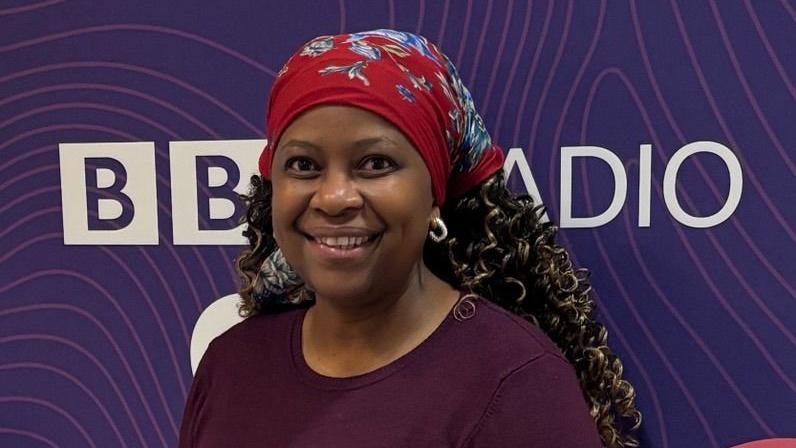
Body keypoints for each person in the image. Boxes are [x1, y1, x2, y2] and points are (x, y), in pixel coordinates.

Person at [179, 29, 641, 447]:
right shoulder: (232, 364)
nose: (335, 197)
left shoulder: (516, 383)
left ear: (434, 195)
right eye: (303, 165)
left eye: (376, 163)